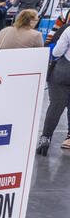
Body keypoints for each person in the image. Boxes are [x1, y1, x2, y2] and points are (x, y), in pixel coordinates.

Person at [38, 23, 70, 156]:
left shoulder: (69, 29)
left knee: (56, 106)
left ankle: (45, 138)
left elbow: (57, 51)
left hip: (64, 70)